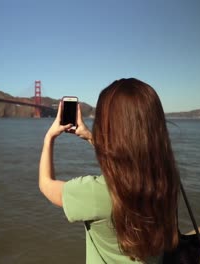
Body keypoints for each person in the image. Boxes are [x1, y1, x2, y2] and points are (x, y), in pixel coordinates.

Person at [38, 78, 180, 263]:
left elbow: (46, 184)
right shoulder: (166, 180)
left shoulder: (96, 192)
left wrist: (49, 138)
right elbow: (128, 160)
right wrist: (90, 136)